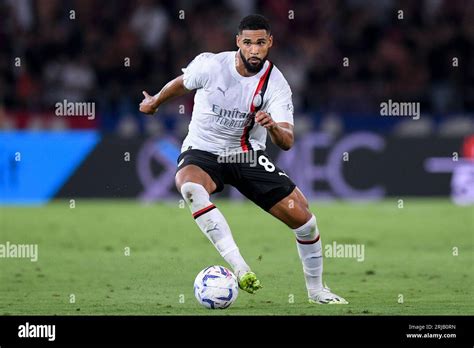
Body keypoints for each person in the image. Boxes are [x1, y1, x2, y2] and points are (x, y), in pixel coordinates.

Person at [139, 14, 347, 304]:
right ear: (238, 42)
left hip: (245, 154)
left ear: (270, 43)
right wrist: (155, 102)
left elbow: (287, 141)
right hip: (203, 150)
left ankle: (317, 292)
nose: (254, 49)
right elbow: (182, 83)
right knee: (190, 187)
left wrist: (272, 126)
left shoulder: (276, 84)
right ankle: (240, 267)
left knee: (305, 220)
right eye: (248, 43)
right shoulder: (212, 65)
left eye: (260, 43)